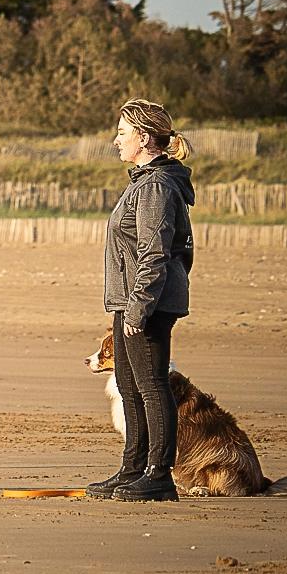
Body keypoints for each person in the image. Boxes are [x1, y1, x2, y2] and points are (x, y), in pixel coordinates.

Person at [88, 99, 195, 503]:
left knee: (152, 386)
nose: (116, 140)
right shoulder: (142, 181)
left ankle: (158, 475)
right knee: (130, 386)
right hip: (129, 300)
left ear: (145, 139)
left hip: (146, 303)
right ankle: (132, 468)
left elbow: (155, 252)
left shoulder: (154, 186)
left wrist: (139, 307)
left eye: (122, 132)